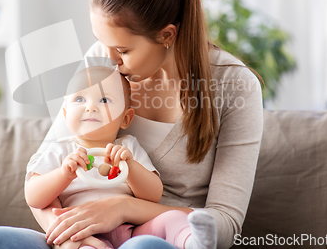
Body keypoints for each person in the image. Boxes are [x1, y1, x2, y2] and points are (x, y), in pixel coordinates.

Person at [0, 0, 264, 249]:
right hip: (80, 240)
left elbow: (224, 224)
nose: (109, 60)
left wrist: (122, 209)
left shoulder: (235, 85)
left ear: (167, 35)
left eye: (123, 51)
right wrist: (74, 240)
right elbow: (38, 184)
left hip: (157, 238)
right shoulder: (101, 62)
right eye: (101, 42)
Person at [25, 65, 217, 249]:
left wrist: (131, 168)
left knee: (173, 218)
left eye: (104, 100)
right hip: (83, 234)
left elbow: (153, 195)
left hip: (132, 230)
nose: (90, 107)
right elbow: (34, 197)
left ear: (126, 118)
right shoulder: (60, 150)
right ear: (65, 115)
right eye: (80, 99)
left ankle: (193, 241)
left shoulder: (127, 146)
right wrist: (63, 174)